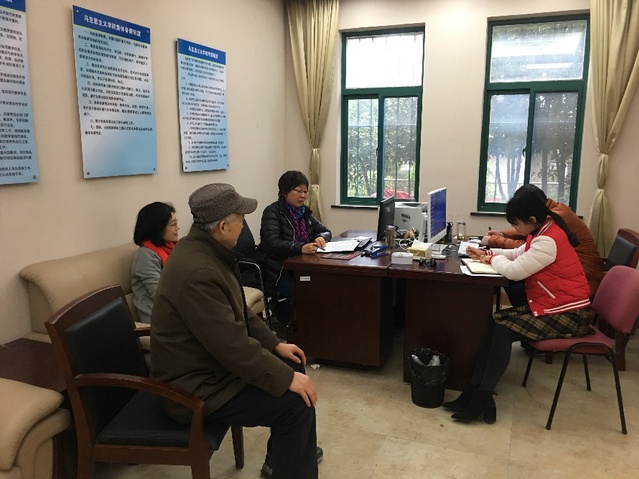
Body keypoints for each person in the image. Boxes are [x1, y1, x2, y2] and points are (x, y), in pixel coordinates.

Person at [150, 183, 321, 479]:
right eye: (241, 219)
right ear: (222, 226)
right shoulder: (198, 272)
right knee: (295, 404)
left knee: (292, 362)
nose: (244, 225)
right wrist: (285, 379)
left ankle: (282, 458)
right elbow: (232, 347)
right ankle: (290, 462)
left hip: (213, 369)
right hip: (196, 387)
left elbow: (240, 312)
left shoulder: (210, 252)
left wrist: (275, 345)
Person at [443, 187, 594, 424]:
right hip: (553, 304)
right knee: (493, 322)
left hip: (571, 313)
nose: (515, 228)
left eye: (516, 223)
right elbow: (518, 253)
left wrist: (492, 258)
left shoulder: (548, 241)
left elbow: (514, 271)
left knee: (502, 331)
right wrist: (486, 252)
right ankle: (473, 390)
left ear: (531, 219)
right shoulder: (543, 230)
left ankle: (482, 398)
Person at [480, 185, 604, 299]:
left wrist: (493, 248)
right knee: (514, 282)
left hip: (580, 281)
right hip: (566, 281)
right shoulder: (546, 218)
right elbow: (524, 245)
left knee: (515, 285)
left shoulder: (553, 224)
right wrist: (502, 235)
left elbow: (531, 250)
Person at [256, 170, 332, 326]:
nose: (303, 195)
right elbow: (272, 242)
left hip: (299, 264)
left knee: (320, 285)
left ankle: (310, 324)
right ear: (285, 192)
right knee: (300, 290)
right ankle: (285, 320)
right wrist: (301, 248)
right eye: (298, 191)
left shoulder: (304, 212)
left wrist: (321, 237)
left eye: (305, 191)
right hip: (276, 268)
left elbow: (325, 231)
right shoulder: (273, 212)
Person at [131, 202, 179, 323]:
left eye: (176, 222)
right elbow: (161, 295)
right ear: (158, 229)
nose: (177, 228)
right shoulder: (145, 256)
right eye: (173, 224)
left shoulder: (172, 248)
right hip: (159, 320)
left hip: (178, 311)